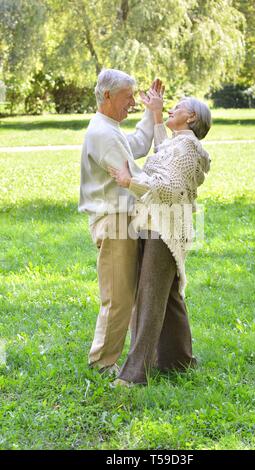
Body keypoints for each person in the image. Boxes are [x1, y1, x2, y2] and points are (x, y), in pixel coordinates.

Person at [109, 89, 212, 386]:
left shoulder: (187, 149)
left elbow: (168, 188)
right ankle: (178, 360)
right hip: (158, 224)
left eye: (176, 107)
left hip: (165, 229)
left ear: (190, 117)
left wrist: (132, 182)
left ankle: (134, 375)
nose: (171, 108)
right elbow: (163, 151)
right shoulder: (179, 144)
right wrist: (155, 112)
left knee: (149, 300)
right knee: (167, 296)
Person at [79, 69, 164, 374]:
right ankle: (101, 363)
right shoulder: (103, 133)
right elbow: (135, 177)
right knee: (117, 297)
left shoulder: (109, 127)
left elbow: (138, 145)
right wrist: (169, 185)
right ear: (107, 95)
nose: (132, 101)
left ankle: (108, 359)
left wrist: (151, 112)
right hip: (114, 221)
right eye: (128, 96)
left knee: (123, 294)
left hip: (121, 219)